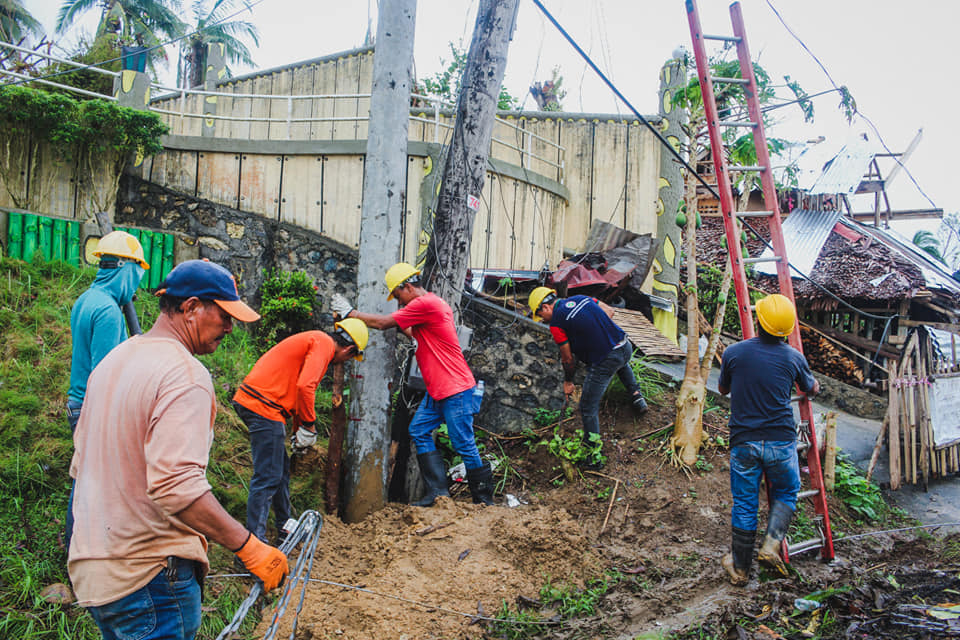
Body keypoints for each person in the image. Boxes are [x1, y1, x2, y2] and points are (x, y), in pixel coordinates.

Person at [69, 259, 288, 640]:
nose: (229, 327)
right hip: (150, 579)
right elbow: (176, 486)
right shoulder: (185, 376)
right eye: (223, 315)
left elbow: (81, 469)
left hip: (98, 577)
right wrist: (249, 545)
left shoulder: (112, 363)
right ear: (190, 308)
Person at [331, 262, 494, 506]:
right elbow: (413, 333)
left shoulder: (424, 304)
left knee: (463, 442)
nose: (399, 303)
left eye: (398, 296)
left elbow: (384, 323)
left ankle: (484, 501)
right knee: (418, 429)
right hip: (438, 390)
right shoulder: (431, 305)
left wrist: (351, 314)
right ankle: (438, 493)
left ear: (407, 287)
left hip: (454, 388)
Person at [233, 320, 369, 543]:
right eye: (350, 357)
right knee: (267, 476)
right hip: (263, 406)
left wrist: (298, 431)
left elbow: (298, 390)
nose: (345, 361)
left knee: (281, 470)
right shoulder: (324, 343)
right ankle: (253, 546)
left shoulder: (315, 341)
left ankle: (285, 527)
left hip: (263, 405)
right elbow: (305, 386)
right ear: (348, 349)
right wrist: (309, 424)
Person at [716, 293, 820, 585]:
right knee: (787, 491)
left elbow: (723, 389)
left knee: (746, 503)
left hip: (744, 442)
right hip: (781, 442)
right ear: (786, 330)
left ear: (758, 321)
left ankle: (739, 569)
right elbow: (811, 389)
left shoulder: (734, 353)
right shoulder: (793, 357)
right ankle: (772, 543)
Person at [65, 230, 149, 551]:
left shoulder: (86, 300)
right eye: (138, 273)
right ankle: (81, 550)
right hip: (94, 407)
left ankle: (82, 546)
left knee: (86, 478)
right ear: (126, 269)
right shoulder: (109, 313)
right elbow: (105, 376)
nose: (138, 283)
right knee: (92, 485)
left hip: (78, 402)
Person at [528, 287, 648, 466]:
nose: (543, 321)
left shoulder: (556, 324)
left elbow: (568, 359)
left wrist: (568, 381)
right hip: (625, 346)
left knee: (587, 407)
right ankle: (637, 396)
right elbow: (610, 311)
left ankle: (594, 456)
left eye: (540, 316)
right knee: (620, 361)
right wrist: (596, 333)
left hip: (606, 361)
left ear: (545, 307)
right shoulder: (581, 298)